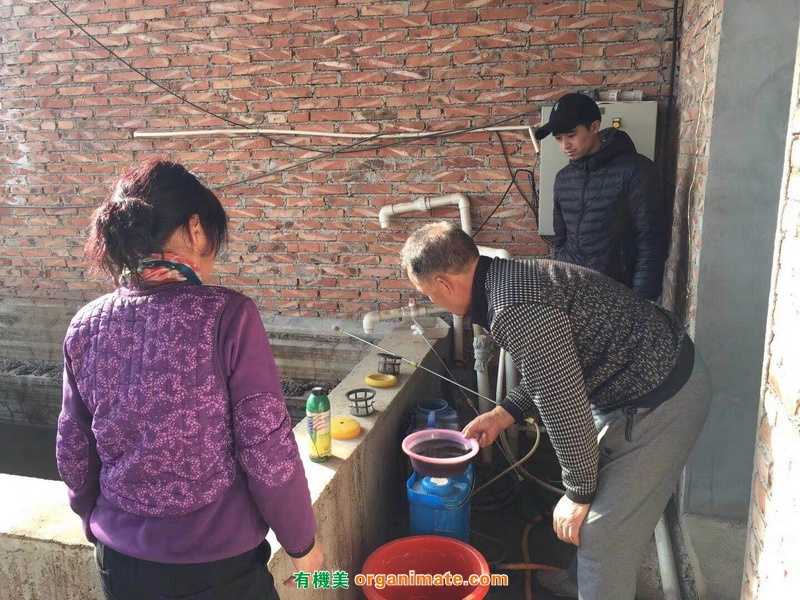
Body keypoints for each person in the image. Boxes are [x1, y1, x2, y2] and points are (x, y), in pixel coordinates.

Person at [55, 159, 323, 600]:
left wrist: (95, 522)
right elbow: (267, 450)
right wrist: (303, 546)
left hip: (121, 565)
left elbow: (73, 450)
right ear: (196, 229)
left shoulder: (85, 325)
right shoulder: (227, 315)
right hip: (219, 571)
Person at [400, 222, 710, 600]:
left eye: (428, 294)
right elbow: (553, 369)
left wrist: (578, 493)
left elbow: (564, 404)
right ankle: (579, 584)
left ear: (444, 284)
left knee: (600, 530)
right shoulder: (507, 279)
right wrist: (504, 413)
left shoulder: (512, 308)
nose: (434, 301)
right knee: (591, 510)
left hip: (664, 397)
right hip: (635, 382)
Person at [537, 92, 667, 300]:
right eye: (559, 139)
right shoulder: (563, 178)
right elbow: (560, 240)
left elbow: (651, 241)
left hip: (620, 294)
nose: (564, 146)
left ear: (594, 127)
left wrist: (641, 302)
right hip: (574, 292)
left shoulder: (637, 170)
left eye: (571, 135)